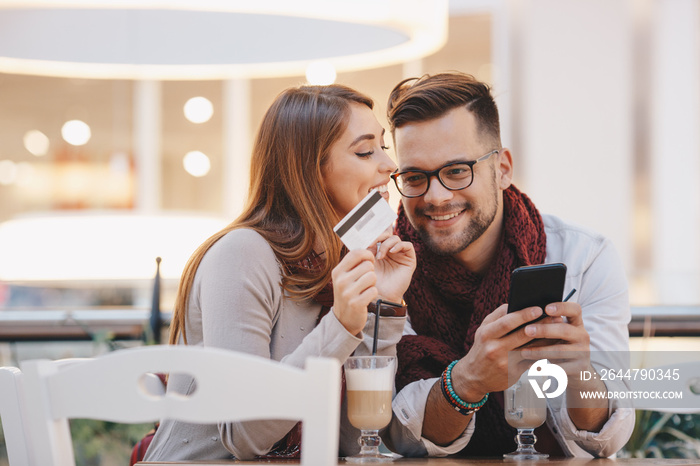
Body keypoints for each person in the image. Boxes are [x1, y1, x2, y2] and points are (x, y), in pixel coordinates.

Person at [143, 84, 416, 461]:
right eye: (366, 151)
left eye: (383, 148)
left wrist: (382, 308)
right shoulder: (242, 254)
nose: (389, 165)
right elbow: (245, 436)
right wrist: (340, 325)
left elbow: (358, 442)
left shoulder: (344, 263)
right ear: (310, 170)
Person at [382, 72, 634, 458]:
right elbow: (397, 436)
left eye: (456, 171)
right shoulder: (387, 268)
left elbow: (605, 440)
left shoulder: (585, 257)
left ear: (502, 169)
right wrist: (467, 380)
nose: (435, 196)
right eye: (415, 177)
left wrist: (578, 372)